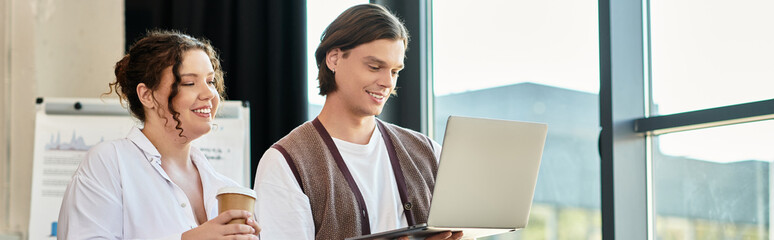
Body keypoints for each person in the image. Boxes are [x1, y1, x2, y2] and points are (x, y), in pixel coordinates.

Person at [253, 4, 462, 240]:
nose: (387, 82)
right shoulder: (285, 163)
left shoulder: (428, 152)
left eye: (395, 71)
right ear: (334, 58)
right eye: (375, 67)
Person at [58, 30, 261, 239]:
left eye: (210, 81)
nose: (210, 93)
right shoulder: (110, 163)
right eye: (189, 83)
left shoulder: (224, 186)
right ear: (147, 95)